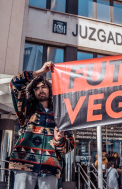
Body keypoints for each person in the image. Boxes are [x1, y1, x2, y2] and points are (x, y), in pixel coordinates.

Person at [8, 61, 75, 189]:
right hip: (24, 166)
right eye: (37, 88)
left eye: (43, 87)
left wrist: (59, 140)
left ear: (50, 90)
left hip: (50, 169)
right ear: (33, 92)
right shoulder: (25, 110)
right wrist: (40, 72)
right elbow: (15, 83)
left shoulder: (61, 114)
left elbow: (70, 145)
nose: (40, 90)